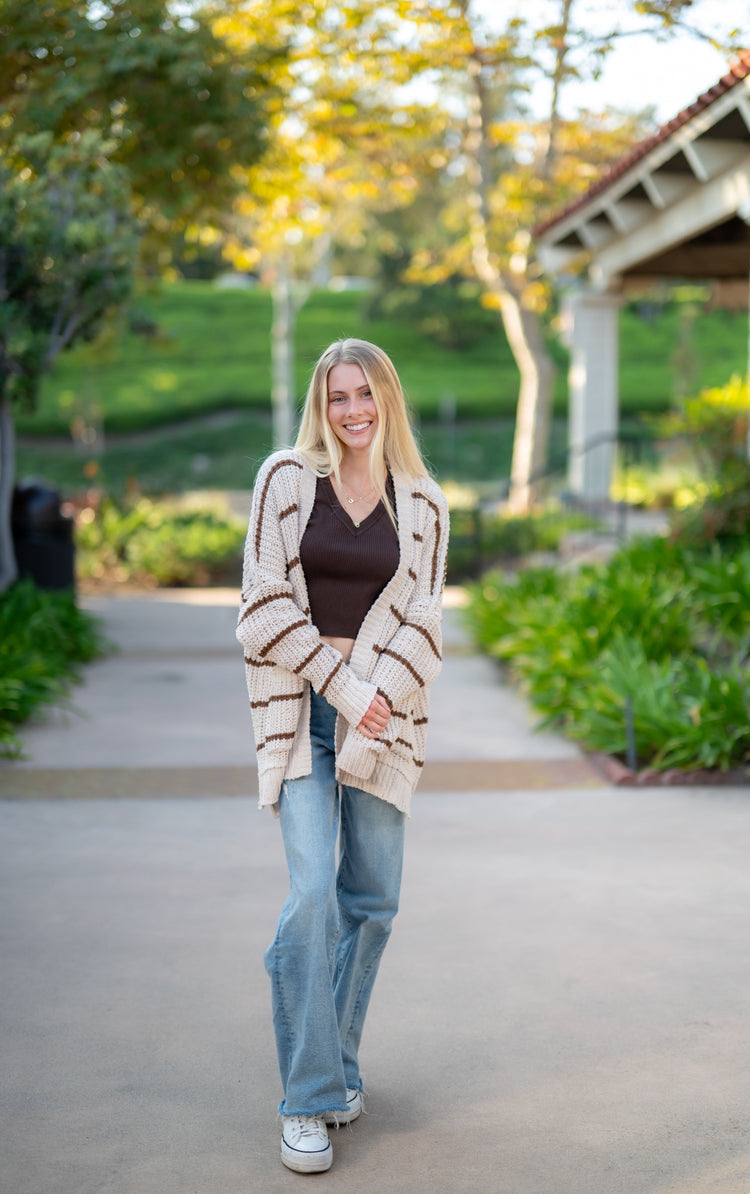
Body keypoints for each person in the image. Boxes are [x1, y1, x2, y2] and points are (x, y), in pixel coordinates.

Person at [236, 338, 449, 1174]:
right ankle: (306, 1101)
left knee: (372, 901)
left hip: (385, 723)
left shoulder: (425, 504)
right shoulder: (285, 479)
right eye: (337, 398)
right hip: (303, 719)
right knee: (314, 895)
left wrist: (377, 697)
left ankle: (339, 1067)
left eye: (365, 395)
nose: (353, 412)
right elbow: (259, 609)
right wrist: (344, 687)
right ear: (320, 407)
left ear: (388, 399)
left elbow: (426, 620)